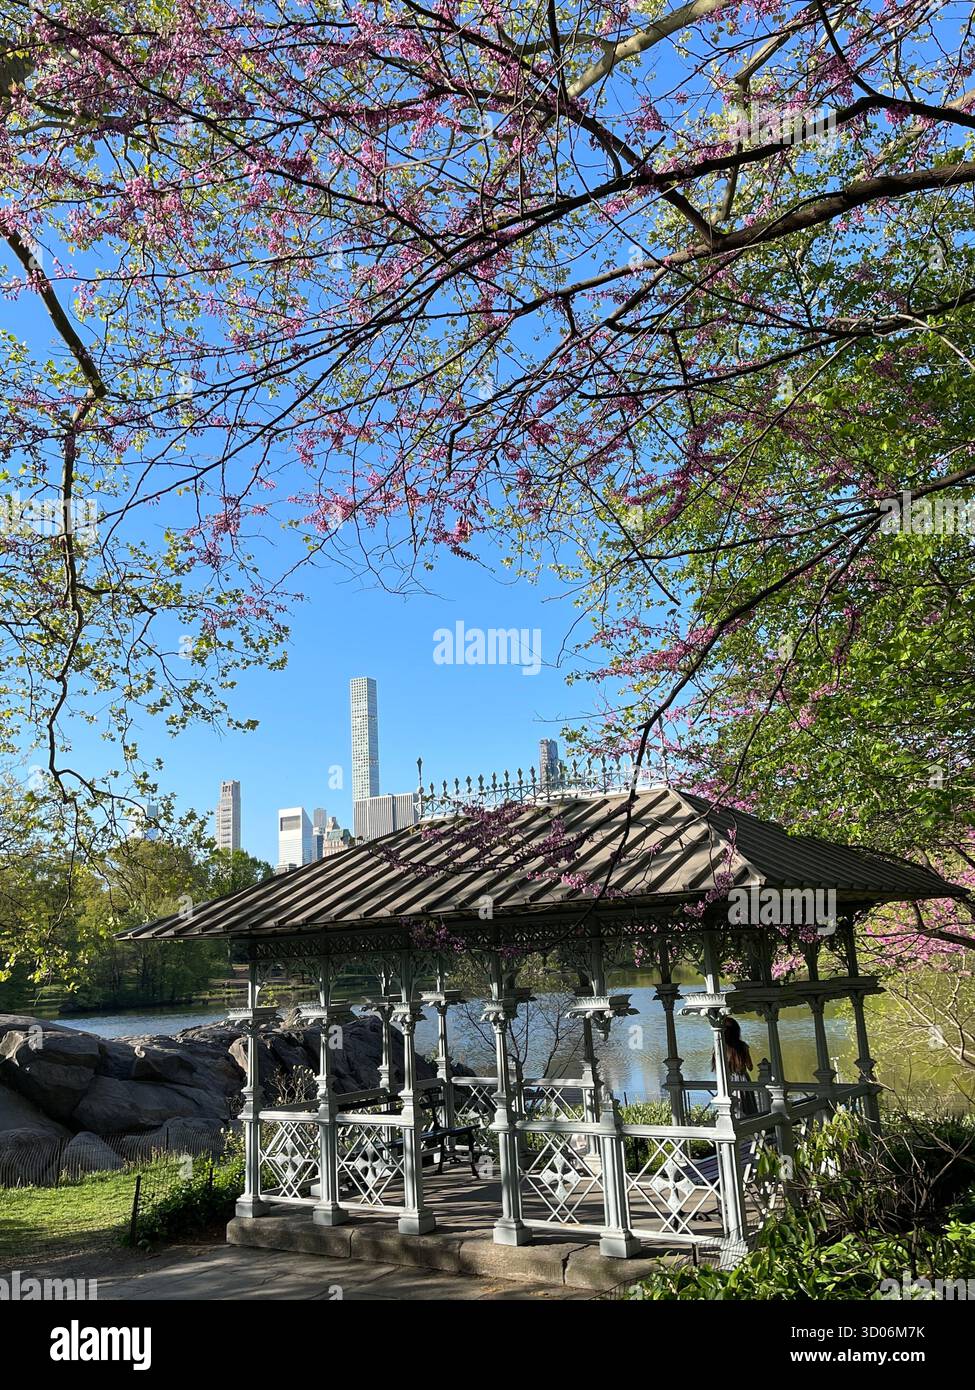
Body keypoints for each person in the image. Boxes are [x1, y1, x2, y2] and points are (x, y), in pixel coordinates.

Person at [717, 1015, 758, 1117]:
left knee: (730, 1109)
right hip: (742, 1078)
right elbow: (750, 1066)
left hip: (727, 1079)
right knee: (747, 1107)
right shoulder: (742, 1046)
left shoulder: (720, 1046)